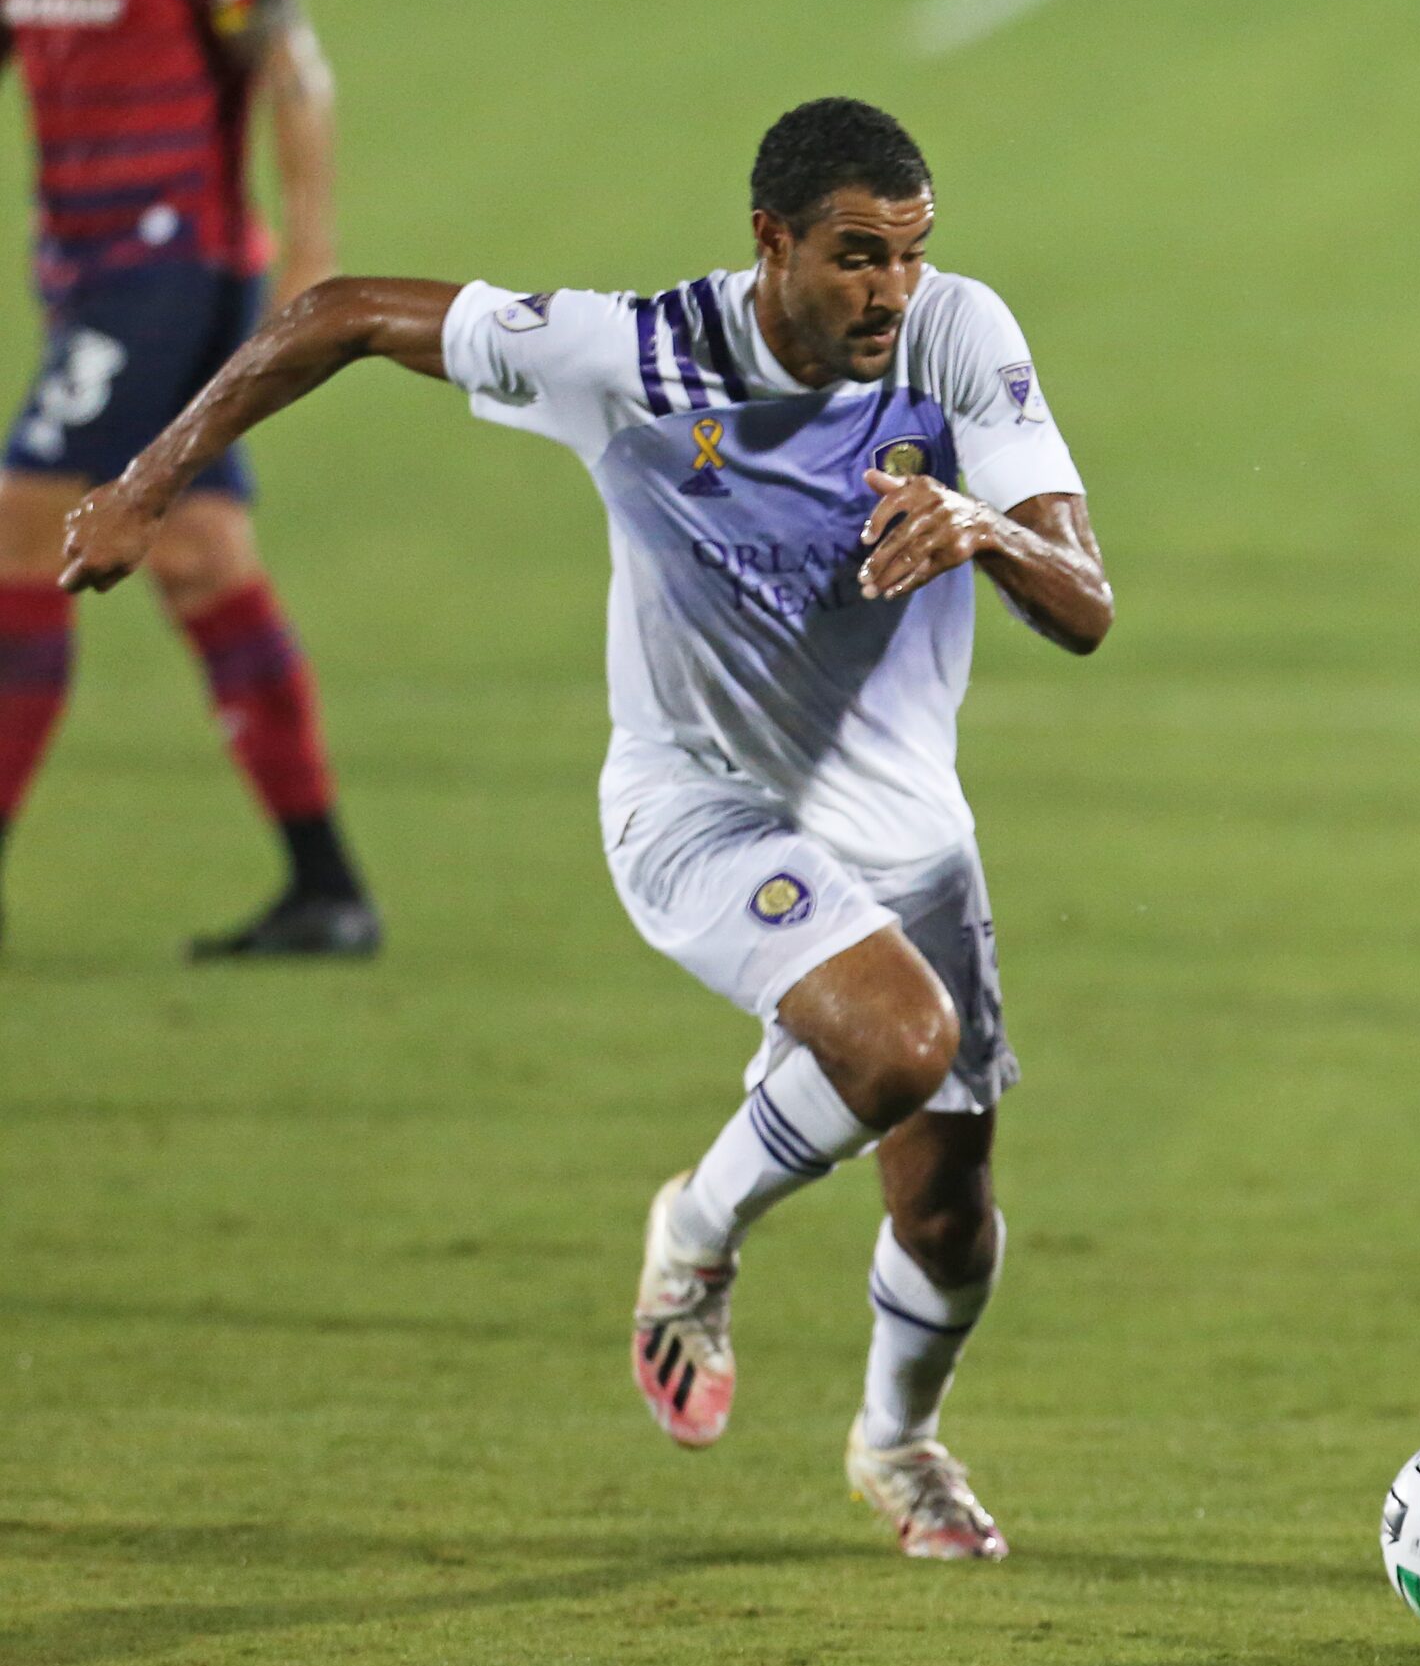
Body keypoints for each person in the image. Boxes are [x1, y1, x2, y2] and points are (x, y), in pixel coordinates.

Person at [60, 96, 1112, 1561]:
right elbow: (344, 312)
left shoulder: (953, 335)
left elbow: (1088, 606)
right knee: (894, 1041)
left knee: (951, 1219)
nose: (890, 290)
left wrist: (982, 524)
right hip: (701, 811)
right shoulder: (631, 357)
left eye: (911, 255)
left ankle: (898, 1441)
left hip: (908, 833)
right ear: (773, 242)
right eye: (858, 255)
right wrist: (148, 479)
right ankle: (696, 1229)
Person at [0, 0, 375, 955]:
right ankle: (327, 888)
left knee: (23, 534)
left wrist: (312, 260)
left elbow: (289, 61)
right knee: (202, 553)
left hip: (168, 263)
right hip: (83, 268)